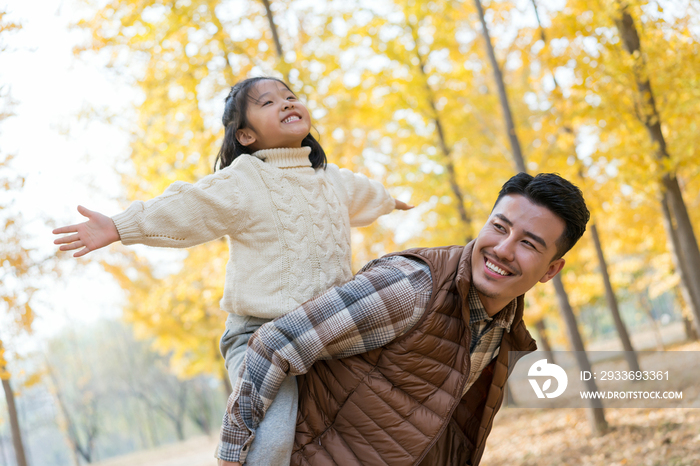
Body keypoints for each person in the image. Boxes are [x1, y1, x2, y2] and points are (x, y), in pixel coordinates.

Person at [52, 76, 413, 465]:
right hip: (259, 335)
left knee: (372, 420)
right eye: (269, 102)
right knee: (272, 441)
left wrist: (391, 200)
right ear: (244, 135)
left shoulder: (333, 180)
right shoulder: (245, 181)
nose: (287, 103)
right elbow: (189, 206)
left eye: (290, 97)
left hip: (324, 331)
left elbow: (368, 193)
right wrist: (120, 226)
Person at [219, 172, 589, 466]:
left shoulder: (503, 328)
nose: (503, 250)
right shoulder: (410, 288)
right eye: (499, 227)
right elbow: (275, 343)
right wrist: (232, 455)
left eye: (528, 244)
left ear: (551, 269)